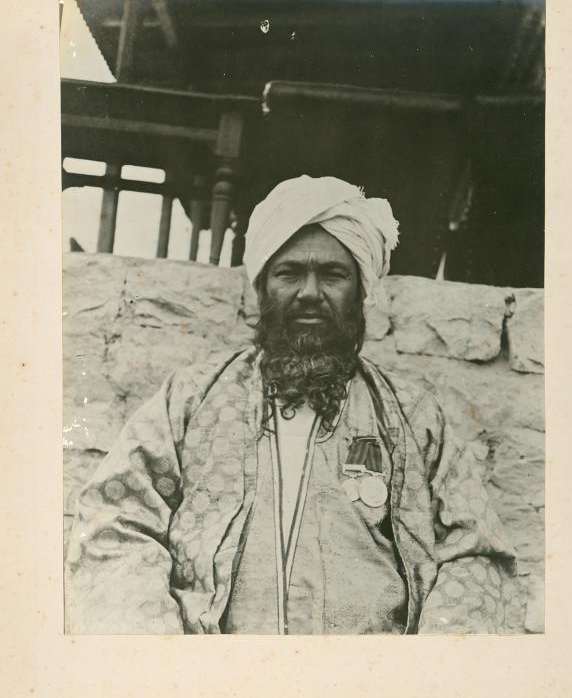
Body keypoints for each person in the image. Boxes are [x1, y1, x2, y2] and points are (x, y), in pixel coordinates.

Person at [66, 175, 517, 635]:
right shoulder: (190, 399)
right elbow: (115, 523)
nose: (309, 293)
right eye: (289, 273)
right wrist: (161, 655)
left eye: (333, 274)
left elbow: (477, 553)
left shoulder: (413, 417)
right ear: (263, 285)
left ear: (361, 289)